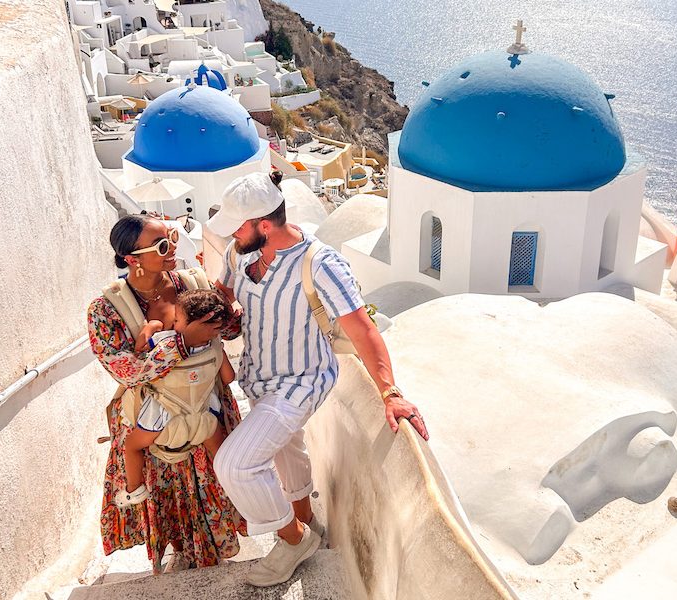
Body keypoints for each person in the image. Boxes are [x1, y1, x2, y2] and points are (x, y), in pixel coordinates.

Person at [207, 172, 429, 587]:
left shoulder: (320, 264)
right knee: (285, 452)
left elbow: (363, 329)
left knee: (235, 464)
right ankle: (309, 522)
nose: (231, 234)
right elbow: (225, 292)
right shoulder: (241, 252)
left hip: (302, 381)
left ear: (265, 225)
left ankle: (293, 540)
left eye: (238, 225)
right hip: (259, 376)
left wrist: (390, 392)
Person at [87, 215, 246, 574]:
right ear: (132, 259)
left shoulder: (193, 282)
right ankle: (181, 554)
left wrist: (228, 306)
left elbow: (231, 330)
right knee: (168, 499)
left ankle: (212, 559)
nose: (173, 247)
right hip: (155, 416)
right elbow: (122, 369)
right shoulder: (106, 309)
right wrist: (182, 343)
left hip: (206, 403)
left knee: (217, 485)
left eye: (172, 237)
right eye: (162, 245)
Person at [116, 288, 236, 508]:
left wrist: (152, 326)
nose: (175, 324)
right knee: (221, 455)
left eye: (178, 319)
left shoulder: (167, 342)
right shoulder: (216, 346)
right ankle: (231, 488)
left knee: (132, 446)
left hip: (164, 418)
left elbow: (140, 350)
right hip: (203, 417)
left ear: (193, 325)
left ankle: (134, 490)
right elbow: (228, 378)